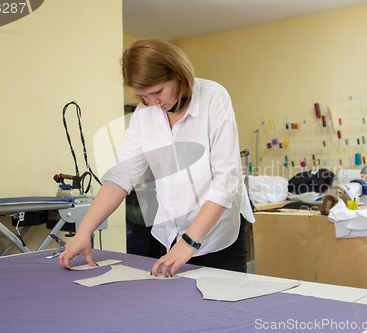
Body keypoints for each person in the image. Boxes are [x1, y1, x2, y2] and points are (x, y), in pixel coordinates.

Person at [59, 39, 254, 277]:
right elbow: (122, 176)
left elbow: (226, 182)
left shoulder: (214, 98)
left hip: (216, 237)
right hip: (171, 236)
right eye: (143, 95)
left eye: (157, 92)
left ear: (179, 75)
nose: (153, 102)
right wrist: (84, 232)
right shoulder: (144, 114)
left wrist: (189, 243)